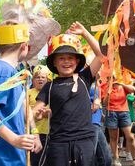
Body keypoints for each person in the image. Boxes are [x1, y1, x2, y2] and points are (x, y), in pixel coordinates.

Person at [34, 22, 103, 166]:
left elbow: (101, 55)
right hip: (58, 143)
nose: (66, 62)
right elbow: (36, 111)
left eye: (70, 58)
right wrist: (38, 114)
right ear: (54, 62)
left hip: (85, 141)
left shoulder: (85, 77)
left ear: (77, 61)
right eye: (61, 58)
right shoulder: (49, 86)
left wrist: (84, 33)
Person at [0, 21, 42, 166]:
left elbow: (23, 105)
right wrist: (14, 139)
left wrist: (34, 131)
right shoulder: (3, 71)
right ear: (24, 46)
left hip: (12, 154)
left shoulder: (12, 72)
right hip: (4, 157)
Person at [104, 76, 135, 166]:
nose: (113, 80)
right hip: (111, 112)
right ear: (107, 79)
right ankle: (116, 159)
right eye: (110, 78)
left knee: (130, 137)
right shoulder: (105, 87)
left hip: (124, 113)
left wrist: (121, 84)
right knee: (113, 138)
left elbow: (133, 89)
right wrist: (108, 92)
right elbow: (104, 103)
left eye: (114, 78)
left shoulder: (122, 87)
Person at [28, 65, 51, 166]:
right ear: (33, 80)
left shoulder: (51, 93)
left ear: (48, 79)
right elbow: (24, 112)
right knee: (33, 160)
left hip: (47, 133)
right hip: (32, 133)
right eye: (37, 77)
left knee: (45, 160)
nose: (40, 79)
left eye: (43, 77)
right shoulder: (28, 93)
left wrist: (48, 113)